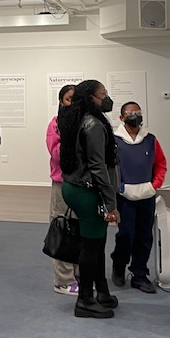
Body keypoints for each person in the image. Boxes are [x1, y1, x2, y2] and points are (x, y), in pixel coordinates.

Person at [59, 79, 120, 319]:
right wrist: (111, 202)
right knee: (91, 247)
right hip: (87, 192)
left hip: (75, 187)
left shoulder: (78, 119)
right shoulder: (93, 124)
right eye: (102, 94)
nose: (106, 98)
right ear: (90, 98)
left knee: (96, 243)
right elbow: (98, 167)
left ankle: (101, 293)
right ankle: (85, 300)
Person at [111, 101, 167, 293]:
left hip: (146, 195)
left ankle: (139, 274)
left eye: (138, 112)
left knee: (144, 236)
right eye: (130, 113)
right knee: (126, 234)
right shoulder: (114, 141)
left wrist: (155, 185)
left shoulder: (150, 140)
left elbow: (160, 164)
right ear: (121, 118)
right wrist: (117, 187)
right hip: (124, 196)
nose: (134, 115)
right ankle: (119, 265)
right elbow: (109, 168)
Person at [45, 84, 79, 295]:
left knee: (81, 230)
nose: (72, 104)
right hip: (63, 184)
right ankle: (63, 280)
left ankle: (79, 273)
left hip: (83, 185)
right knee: (62, 228)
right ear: (60, 102)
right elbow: (57, 155)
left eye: (75, 99)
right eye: (68, 99)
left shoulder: (86, 123)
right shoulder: (55, 125)